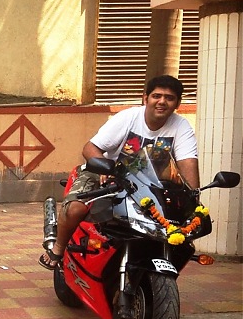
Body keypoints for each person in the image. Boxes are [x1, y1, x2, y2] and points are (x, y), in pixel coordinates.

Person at [39, 75, 200, 270]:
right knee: (76, 208)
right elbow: (90, 147)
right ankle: (57, 249)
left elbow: (187, 163)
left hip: (146, 183)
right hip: (105, 171)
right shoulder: (128, 117)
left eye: (169, 97)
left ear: (177, 103)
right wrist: (105, 166)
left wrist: (193, 197)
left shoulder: (181, 126)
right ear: (145, 98)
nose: (162, 102)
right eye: (156, 96)